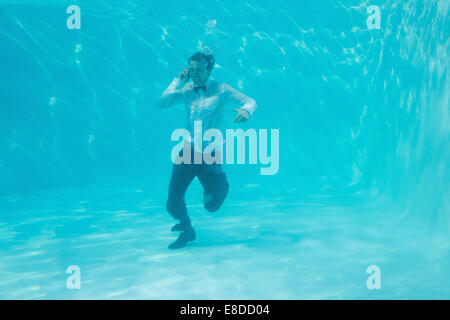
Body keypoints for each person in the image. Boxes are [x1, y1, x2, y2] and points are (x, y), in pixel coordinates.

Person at [158, 50, 257, 249]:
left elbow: (250, 101)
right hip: (187, 150)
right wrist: (177, 80)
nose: (195, 74)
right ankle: (187, 230)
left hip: (210, 152)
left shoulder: (221, 89)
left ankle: (221, 183)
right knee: (172, 202)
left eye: (200, 70)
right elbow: (162, 103)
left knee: (212, 206)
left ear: (209, 69)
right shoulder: (186, 90)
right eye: (191, 69)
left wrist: (246, 111)